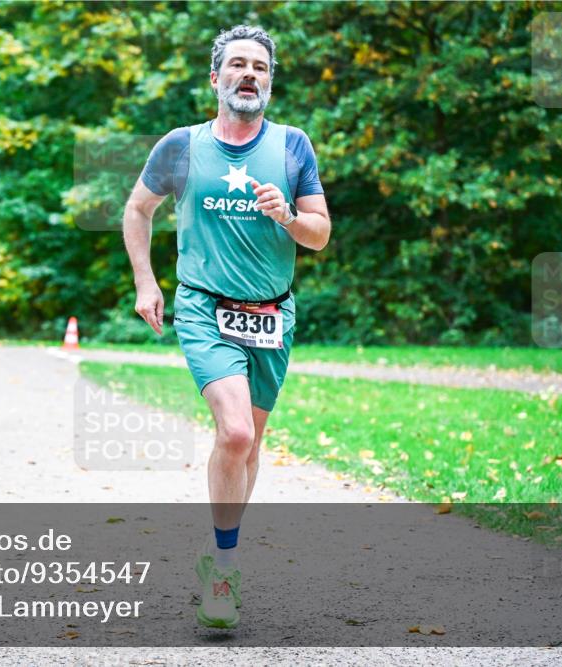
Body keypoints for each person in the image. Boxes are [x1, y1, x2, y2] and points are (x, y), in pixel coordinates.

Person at [123, 25, 331, 629]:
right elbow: (138, 209)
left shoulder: (293, 146)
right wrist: (146, 281)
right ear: (215, 79)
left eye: (259, 68)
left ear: (268, 82)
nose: (249, 75)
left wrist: (288, 217)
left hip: (274, 313)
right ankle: (222, 569)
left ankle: (224, 555)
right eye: (237, 65)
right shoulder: (181, 146)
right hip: (204, 308)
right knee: (235, 433)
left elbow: (319, 234)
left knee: (252, 444)